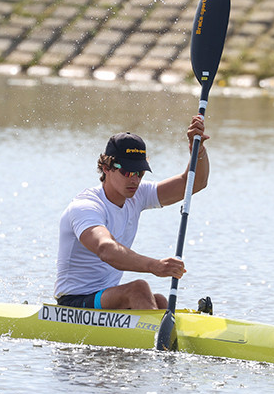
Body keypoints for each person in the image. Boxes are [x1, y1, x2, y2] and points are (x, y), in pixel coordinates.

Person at [55, 116, 210, 310]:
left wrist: (198, 149)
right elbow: (106, 249)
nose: (135, 180)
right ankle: (157, 338)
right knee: (138, 289)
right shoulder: (86, 206)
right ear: (106, 168)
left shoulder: (137, 195)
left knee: (161, 301)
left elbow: (194, 184)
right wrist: (154, 265)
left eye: (140, 173)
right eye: (128, 173)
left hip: (105, 298)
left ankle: (169, 336)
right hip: (74, 302)